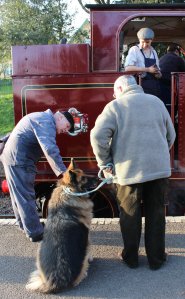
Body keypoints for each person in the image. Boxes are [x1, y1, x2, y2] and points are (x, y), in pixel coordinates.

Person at [90, 75, 176, 270]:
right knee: (156, 215)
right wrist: (159, 154)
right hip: (159, 171)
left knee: (130, 215)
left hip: (128, 173)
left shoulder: (115, 106)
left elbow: (97, 136)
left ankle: (131, 258)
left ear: (120, 89)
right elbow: (171, 135)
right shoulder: (157, 102)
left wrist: (105, 162)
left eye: (114, 92)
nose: (113, 95)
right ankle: (156, 260)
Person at [0, 109, 74, 242]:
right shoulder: (47, 121)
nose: (66, 130)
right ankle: (36, 232)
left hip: (13, 158)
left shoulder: (39, 117)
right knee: (26, 196)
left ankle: (25, 226)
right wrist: (64, 172)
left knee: (19, 196)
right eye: (67, 126)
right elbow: (49, 148)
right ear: (61, 117)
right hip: (20, 161)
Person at [124, 28, 161, 97]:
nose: (144, 44)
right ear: (139, 40)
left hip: (154, 86)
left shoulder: (154, 52)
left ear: (151, 40)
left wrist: (158, 73)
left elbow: (158, 69)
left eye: (147, 42)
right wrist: (148, 69)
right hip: (140, 86)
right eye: (142, 42)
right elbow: (128, 68)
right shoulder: (135, 50)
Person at [159, 44, 185, 113]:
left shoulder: (161, 58)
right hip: (171, 85)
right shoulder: (178, 58)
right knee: (173, 105)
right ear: (176, 51)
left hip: (159, 84)